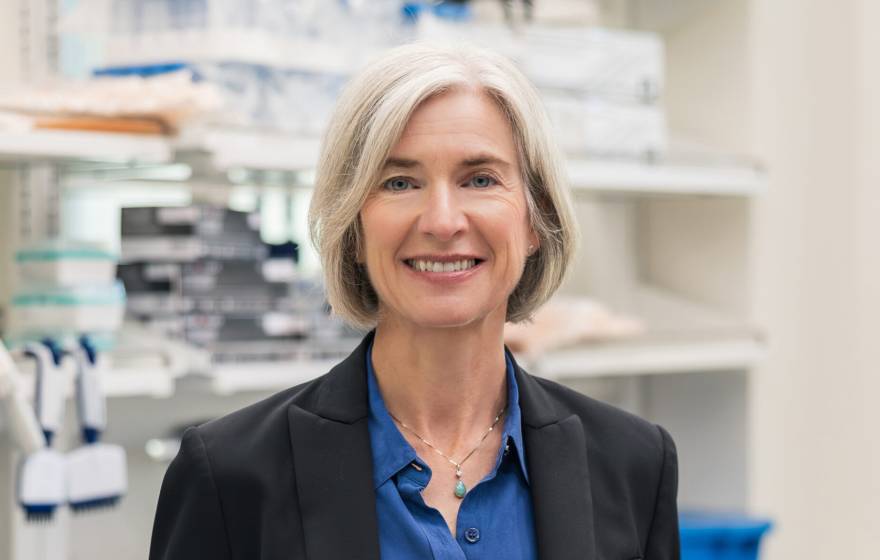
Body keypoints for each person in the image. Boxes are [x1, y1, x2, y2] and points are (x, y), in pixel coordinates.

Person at [149, 42, 679, 560]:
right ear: (352, 225)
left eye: (480, 179)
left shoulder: (633, 463)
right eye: (400, 182)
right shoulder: (231, 475)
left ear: (535, 217)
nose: (443, 221)